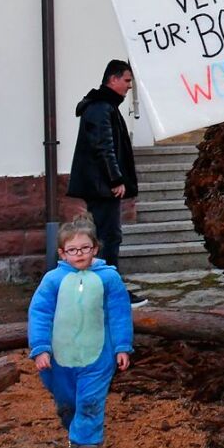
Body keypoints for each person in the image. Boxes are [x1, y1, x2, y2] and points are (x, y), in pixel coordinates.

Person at [28, 215, 133, 448]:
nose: (79, 254)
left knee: (90, 400)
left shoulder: (109, 278)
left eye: (85, 248)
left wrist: (122, 347)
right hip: (60, 358)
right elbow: (40, 314)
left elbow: (119, 314)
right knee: (67, 402)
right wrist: (40, 348)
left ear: (94, 248)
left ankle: (87, 447)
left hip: (98, 357)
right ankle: (75, 426)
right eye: (72, 250)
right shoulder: (53, 280)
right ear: (62, 253)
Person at [67, 59, 146, 307]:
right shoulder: (101, 107)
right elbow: (104, 146)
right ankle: (109, 292)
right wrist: (116, 179)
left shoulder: (105, 106)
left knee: (107, 236)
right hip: (102, 187)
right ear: (112, 79)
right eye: (126, 80)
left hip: (100, 185)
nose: (129, 86)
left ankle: (107, 288)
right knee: (109, 237)